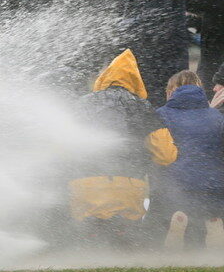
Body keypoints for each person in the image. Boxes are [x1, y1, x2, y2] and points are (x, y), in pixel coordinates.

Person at [69, 49, 176, 247]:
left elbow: (62, 145)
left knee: (88, 241)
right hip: (128, 187)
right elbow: (165, 154)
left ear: (103, 78)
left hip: (86, 186)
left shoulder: (82, 104)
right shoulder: (143, 108)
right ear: (136, 81)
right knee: (124, 242)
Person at [151, 71, 224, 250]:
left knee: (163, 209)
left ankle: (176, 223)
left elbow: (157, 150)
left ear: (170, 92)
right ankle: (213, 223)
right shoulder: (216, 117)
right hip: (213, 186)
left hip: (176, 185)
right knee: (210, 212)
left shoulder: (161, 114)